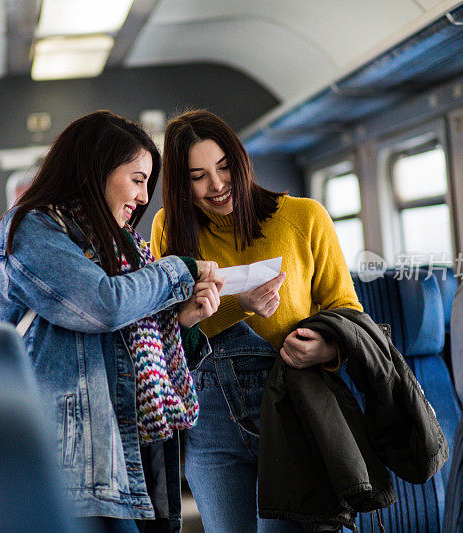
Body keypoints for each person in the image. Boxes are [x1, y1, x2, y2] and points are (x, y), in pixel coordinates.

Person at [0, 111, 223, 532]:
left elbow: (140, 349)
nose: (144, 196)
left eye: (148, 183)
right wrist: (176, 271)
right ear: (95, 170)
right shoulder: (30, 231)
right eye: (136, 179)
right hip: (75, 467)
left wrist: (182, 322)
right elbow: (104, 305)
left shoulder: (124, 247)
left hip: (135, 452)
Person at [151, 110, 363, 532]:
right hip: (208, 412)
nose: (217, 185)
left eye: (225, 167)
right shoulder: (169, 229)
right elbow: (167, 332)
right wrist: (239, 306)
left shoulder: (304, 217)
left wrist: (327, 347)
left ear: (241, 161)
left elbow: (347, 311)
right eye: (198, 176)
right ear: (180, 185)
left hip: (290, 400)